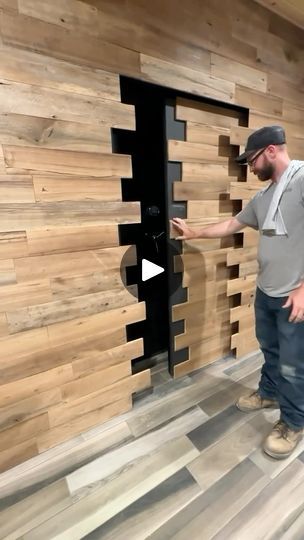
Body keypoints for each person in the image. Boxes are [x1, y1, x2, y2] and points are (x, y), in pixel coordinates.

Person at [172, 125, 304, 460]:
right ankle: (269, 393)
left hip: (295, 296)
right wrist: (195, 232)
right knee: (270, 351)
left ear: (271, 151)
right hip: (267, 292)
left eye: (253, 160)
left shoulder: (302, 179)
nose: (251, 167)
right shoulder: (262, 197)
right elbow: (233, 224)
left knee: (293, 364)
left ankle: (293, 422)